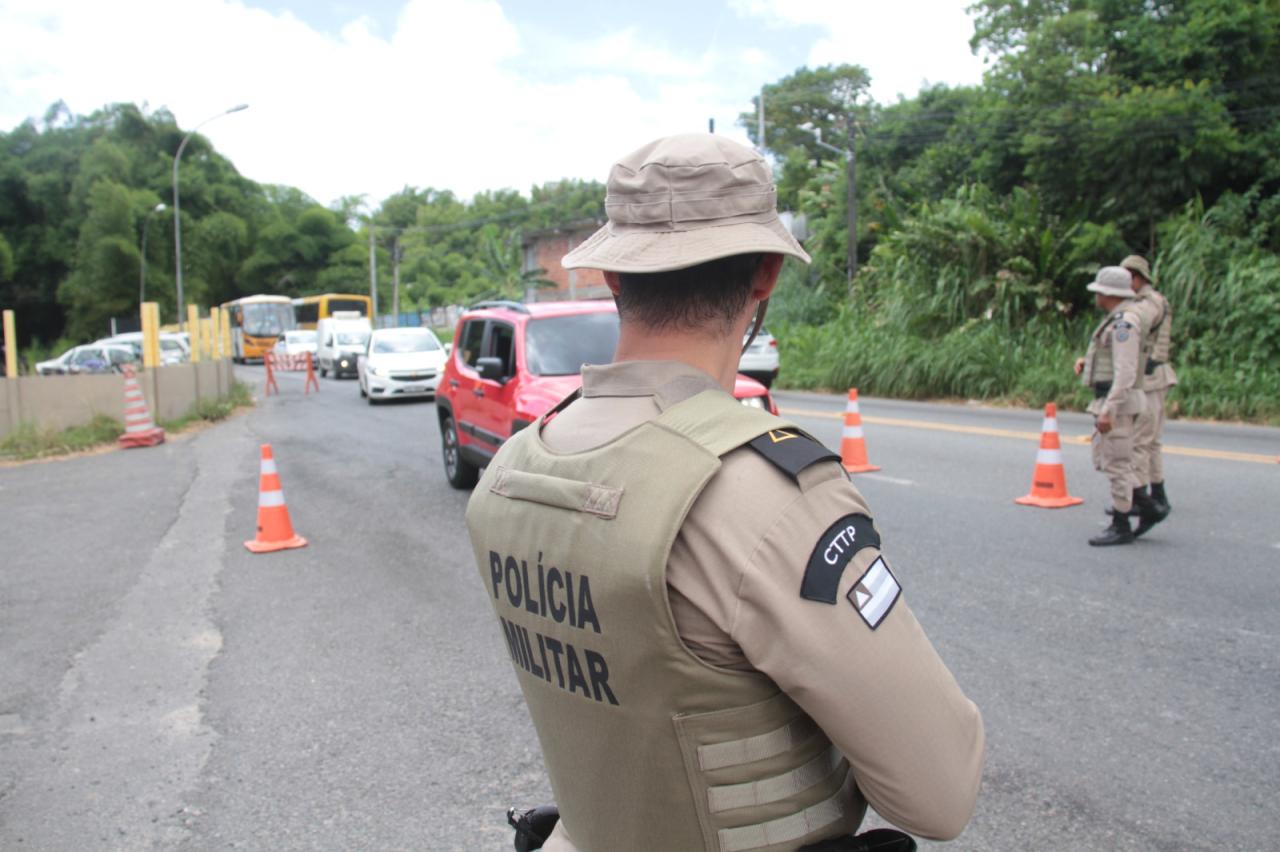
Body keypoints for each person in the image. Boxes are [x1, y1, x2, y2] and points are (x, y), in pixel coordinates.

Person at [465, 134, 985, 852]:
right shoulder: (765, 495)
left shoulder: (509, 473)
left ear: (615, 276)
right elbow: (941, 792)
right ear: (766, 275)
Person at [1073, 266, 1161, 546]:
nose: (1096, 296)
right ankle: (1149, 508)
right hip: (1115, 399)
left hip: (1118, 403)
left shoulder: (1124, 323)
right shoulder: (1119, 319)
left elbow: (1125, 372)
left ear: (1108, 293)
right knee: (1113, 460)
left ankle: (1121, 525)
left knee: (1117, 464)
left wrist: (1109, 409)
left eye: (1098, 291)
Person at [1120, 254, 1175, 529]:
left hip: (1150, 378)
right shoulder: (1149, 300)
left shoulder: (1147, 303)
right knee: (1151, 442)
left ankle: (1139, 501)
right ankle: (1158, 495)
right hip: (1155, 377)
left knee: (1140, 443)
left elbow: (1137, 322)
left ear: (1137, 278)